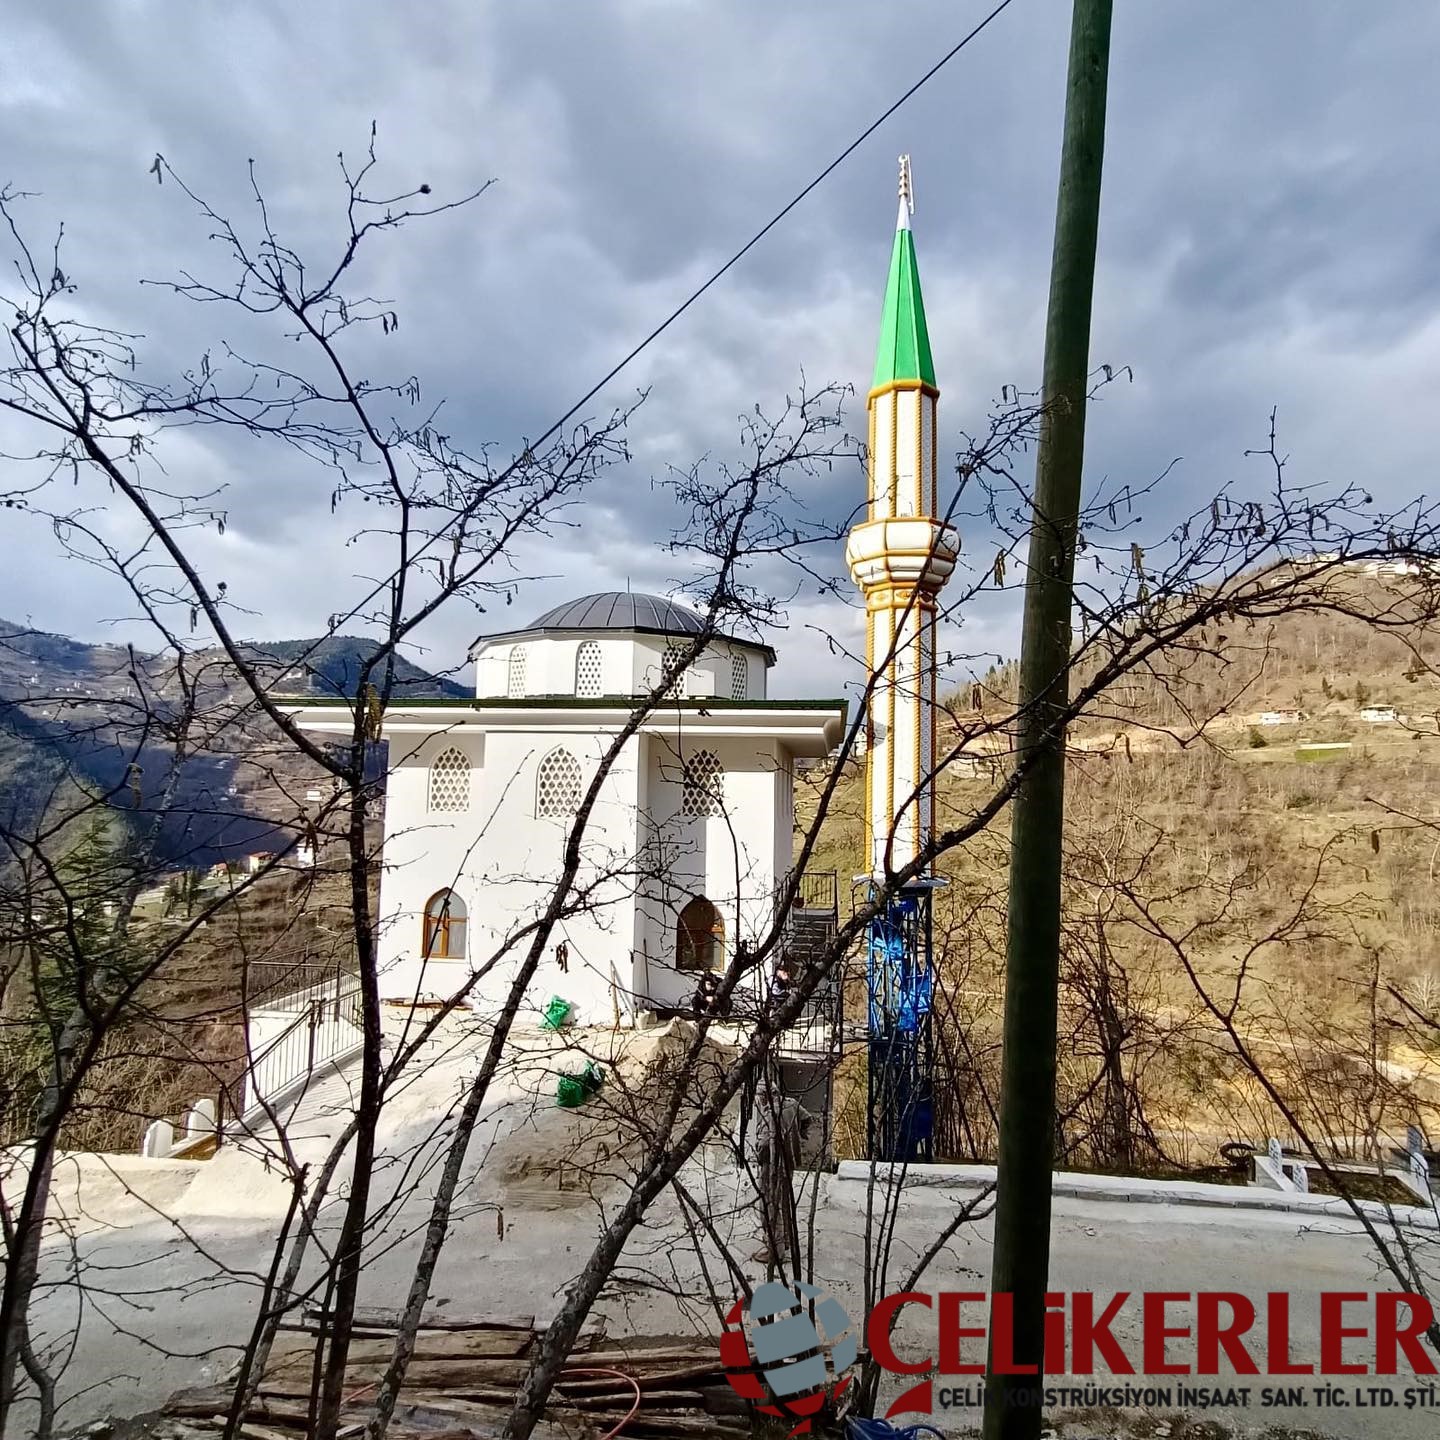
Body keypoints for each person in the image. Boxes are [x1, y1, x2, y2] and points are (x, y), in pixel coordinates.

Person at [749, 1067, 804, 1268]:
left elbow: (764, 1145)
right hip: (788, 1164)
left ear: (764, 1097)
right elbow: (807, 1118)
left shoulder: (770, 1114)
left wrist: (756, 1152)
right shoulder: (791, 1104)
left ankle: (776, 1251)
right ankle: (787, 1243)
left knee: (768, 1208)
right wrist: (798, 1140)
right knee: (785, 1204)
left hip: (772, 1167)